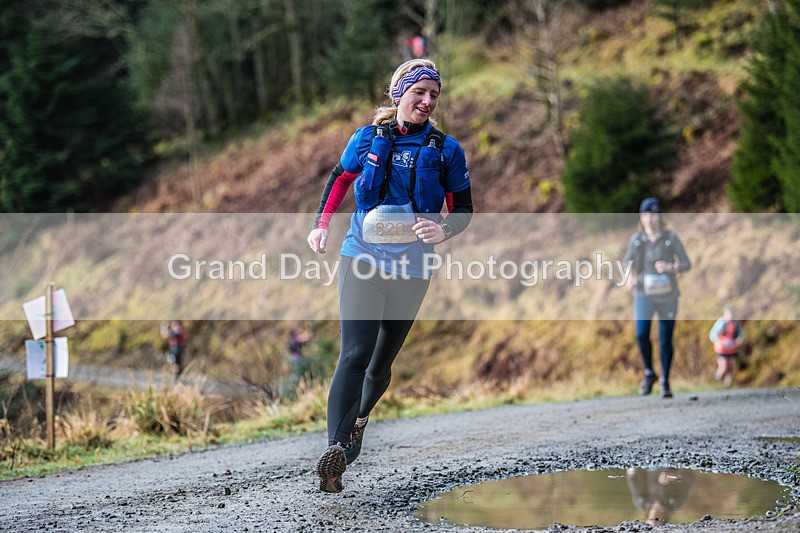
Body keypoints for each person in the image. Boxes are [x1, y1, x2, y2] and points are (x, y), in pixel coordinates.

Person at [306, 58, 473, 493]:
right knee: (354, 353)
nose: (428, 101)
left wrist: (443, 229)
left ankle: (359, 422)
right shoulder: (366, 139)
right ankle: (336, 452)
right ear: (399, 94)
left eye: (434, 95)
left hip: (412, 268)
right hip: (361, 257)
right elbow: (340, 178)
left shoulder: (447, 150)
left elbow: (463, 209)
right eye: (420, 92)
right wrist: (322, 225)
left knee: (380, 364)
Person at [623, 197, 691, 398]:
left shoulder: (670, 238)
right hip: (644, 294)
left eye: (653, 215)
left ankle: (665, 380)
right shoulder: (637, 240)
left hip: (667, 296)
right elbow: (627, 263)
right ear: (641, 218)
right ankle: (649, 372)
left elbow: (686, 263)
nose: (650, 219)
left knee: (665, 338)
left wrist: (670, 267)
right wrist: (630, 277)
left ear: (660, 217)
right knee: (641, 333)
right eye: (646, 215)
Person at [625, 468, 693, 526]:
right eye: (657, 520)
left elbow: (632, 477)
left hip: (648, 466)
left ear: (646, 519)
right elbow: (688, 477)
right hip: (669, 465)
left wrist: (632, 471)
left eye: (651, 520)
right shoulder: (675, 503)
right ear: (664, 519)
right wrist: (670, 476)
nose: (654, 518)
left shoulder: (641, 502)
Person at [709, 306, 743, 387]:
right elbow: (712, 334)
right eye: (728, 314)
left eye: (731, 313)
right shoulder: (720, 323)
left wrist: (739, 339)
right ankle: (714, 383)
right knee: (723, 367)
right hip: (721, 349)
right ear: (724, 314)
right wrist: (719, 342)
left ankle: (727, 385)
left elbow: (740, 335)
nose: (730, 315)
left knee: (731, 367)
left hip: (732, 349)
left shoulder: (736, 323)